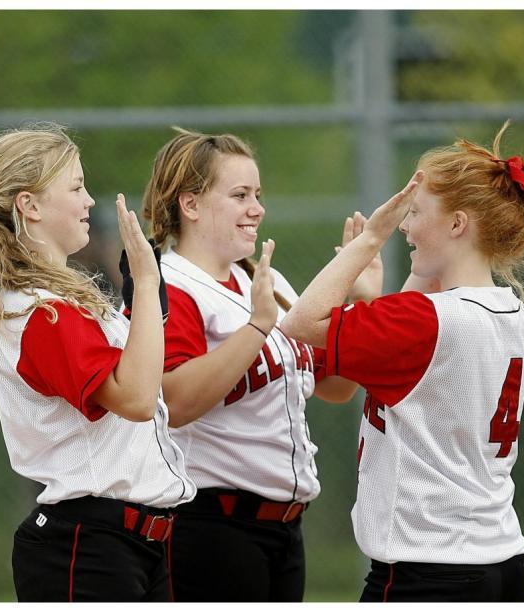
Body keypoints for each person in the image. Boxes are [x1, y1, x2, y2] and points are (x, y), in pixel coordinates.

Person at [280, 121, 524, 602]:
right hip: (502, 560)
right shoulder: (510, 310)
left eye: (413, 213)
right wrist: (379, 294)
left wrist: (369, 239)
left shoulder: (426, 321)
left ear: (458, 224)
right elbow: (416, 348)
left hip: (429, 570)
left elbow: (301, 323)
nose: (405, 227)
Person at [0, 123, 196, 602]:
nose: (89, 201)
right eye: (76, 187)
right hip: (89, 546)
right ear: (29, 205)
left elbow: (139, 385)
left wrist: (143, 306)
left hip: (129, 544)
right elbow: (137, 400)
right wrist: (143, 284)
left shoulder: (62, 302)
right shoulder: (43, 313)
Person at [125, 127, 374, 602]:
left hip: (284, 529)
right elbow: (172, 401)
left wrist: (361, 304)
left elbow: (336, 387)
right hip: (210, 527)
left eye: (257, 194)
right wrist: (257, 328)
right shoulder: (169, 286)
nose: (256, 208)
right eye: (239, 195)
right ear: (190, 204)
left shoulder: (267, 281)